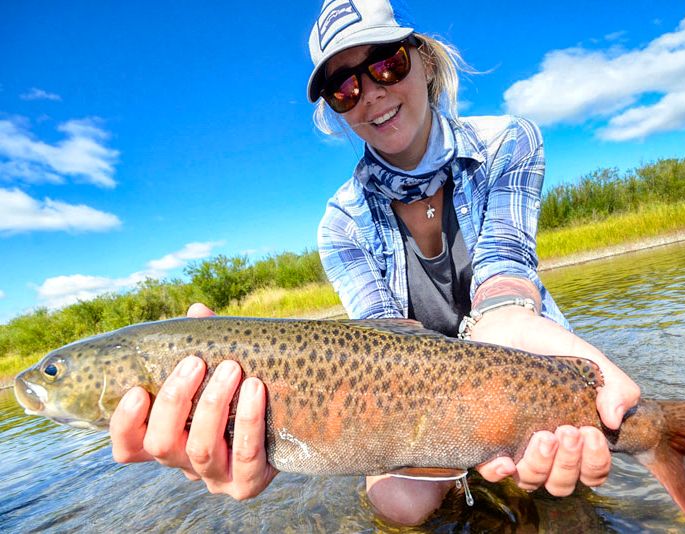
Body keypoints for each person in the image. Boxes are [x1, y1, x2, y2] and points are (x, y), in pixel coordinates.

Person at [110, 0, 641, 527]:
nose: (371, 93)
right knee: (399, 506)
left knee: (567, 484)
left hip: (520, 358)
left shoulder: (510, 141)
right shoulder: (340, 224)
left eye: (386, 63)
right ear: (336, 109)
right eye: (345, 87)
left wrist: (511, 326)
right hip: (411, 392)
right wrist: (287, 436)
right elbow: (378, 342)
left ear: (425, 61)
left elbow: (506, 269)